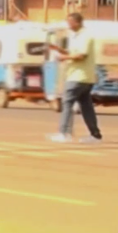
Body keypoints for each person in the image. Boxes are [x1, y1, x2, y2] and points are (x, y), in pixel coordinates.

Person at [49, 12, 102, 144]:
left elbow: (81, 55)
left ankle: (64, 133)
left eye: (70, 22)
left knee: (67, 102)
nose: (68, 25)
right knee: (86, 106)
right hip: (82, 77)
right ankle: (95, 135)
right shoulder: (76, 36)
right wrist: (59, 50)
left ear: (77, 22)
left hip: (78, 76)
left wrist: (63, 58)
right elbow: (73, 53)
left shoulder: (86, 36)